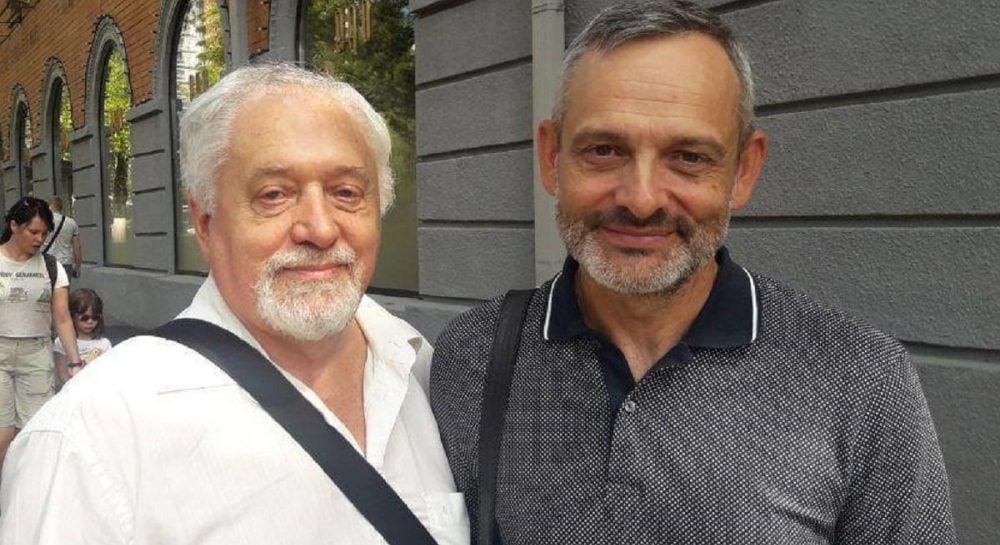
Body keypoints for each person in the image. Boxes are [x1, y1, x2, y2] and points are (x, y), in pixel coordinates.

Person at [429, 1, 957, 544]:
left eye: (688, 157)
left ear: (744, 170)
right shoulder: (472, 356)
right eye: (604, 150)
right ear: (551, 158)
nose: (641, 200)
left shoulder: (860, 377)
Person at [0, 64, 468, 545]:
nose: (320, 228)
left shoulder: (428, 369)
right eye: (274, 195)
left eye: (346, 193)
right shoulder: (89, 441)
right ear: (205, 223)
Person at [0, 197, 82, 469]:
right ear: (14, 226)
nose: (39, 239)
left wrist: (74, 361)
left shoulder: (51, 266)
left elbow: (62, 317)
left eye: (44, 233)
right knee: (3, 435)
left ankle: (24, 486)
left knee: (33, 433)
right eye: (33, 232)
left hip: (36, 354)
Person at [53, 288, 112, 380]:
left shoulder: (104, 344)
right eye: (84, 318)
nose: (90, 322)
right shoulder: (61, 342)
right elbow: (62, 373)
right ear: (72, 316)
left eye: (95, 317)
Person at [42, 196, 82, 281]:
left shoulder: (43, 222)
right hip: (66, 263)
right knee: (63, 288)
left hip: (47, 262)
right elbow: (77, 247)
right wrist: (78, 266)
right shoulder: (71, 223)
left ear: (50, 206)